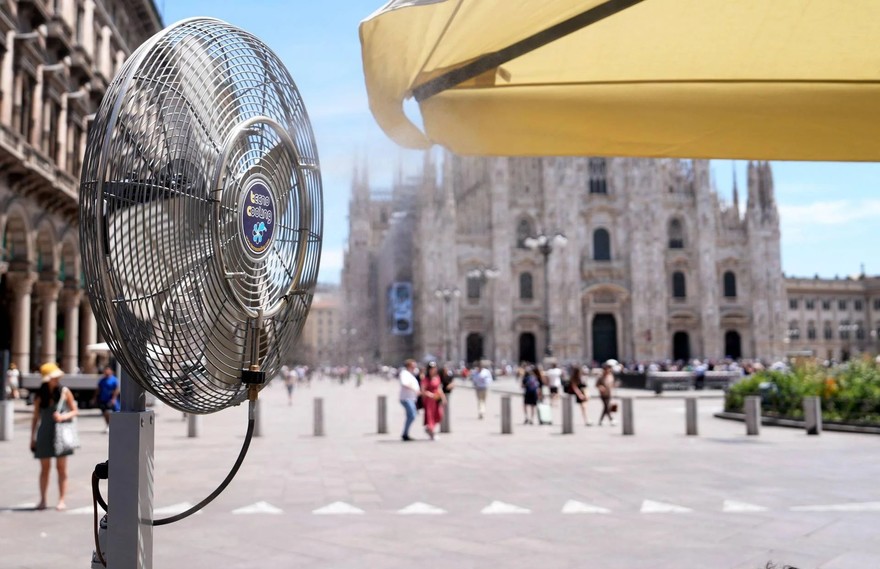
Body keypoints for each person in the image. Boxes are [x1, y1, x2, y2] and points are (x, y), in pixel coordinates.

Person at [30, 362, 78, 511]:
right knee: (45, 468)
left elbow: (75, 411)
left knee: (61, 468)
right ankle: (43, 500)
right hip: (44, 432)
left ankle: (61, 500)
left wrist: (63, 417)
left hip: (60, 433)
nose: (56, 379)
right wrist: (32, 437)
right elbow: (35, 417)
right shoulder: (40, 394)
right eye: (54, 377)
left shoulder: (64, 391)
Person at [420, 362, 446, 440]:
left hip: (437, 399)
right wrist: (431, 395)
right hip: (429, 401)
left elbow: (439, 388)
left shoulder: (437, 377)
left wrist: (443, 397)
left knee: (439, 414)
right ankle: (432, 432)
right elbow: (423, 390)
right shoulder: (425, 379)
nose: (433, 370)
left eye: (434, 368)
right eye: (431, 369)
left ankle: (429, 429)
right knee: (430, 416)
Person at [91, 366, 120, 433]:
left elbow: (117, 389)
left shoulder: (114, 380)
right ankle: (108, 425)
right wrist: (94, 398)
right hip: (103, 399)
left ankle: (112, 425)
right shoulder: (102, 380)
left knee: (109, 412)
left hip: (110, 399)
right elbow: (98, 389)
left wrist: (114, 398)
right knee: (104, 413)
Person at [398, 359, 421, 441]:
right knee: (412, 415)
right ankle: (405, 433)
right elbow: (404, 383)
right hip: (406, 398)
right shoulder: (404, 373)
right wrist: (414, 389)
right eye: (413, 365)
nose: (415, 367)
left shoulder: (411, 374)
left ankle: (405, 433)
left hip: (411, 398)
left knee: (410, 416)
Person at [596, 361, 616, 426]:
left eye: (610, 368)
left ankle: (601, 421)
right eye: (608, 368)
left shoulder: (611, 375)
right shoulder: (601, 376)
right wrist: (600, 387)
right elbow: (597, 384)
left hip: (609, 393)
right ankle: (611, 419)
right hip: (603, 394)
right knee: (606, 407)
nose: (609, 369)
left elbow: (612, 384)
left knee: (606, 407)